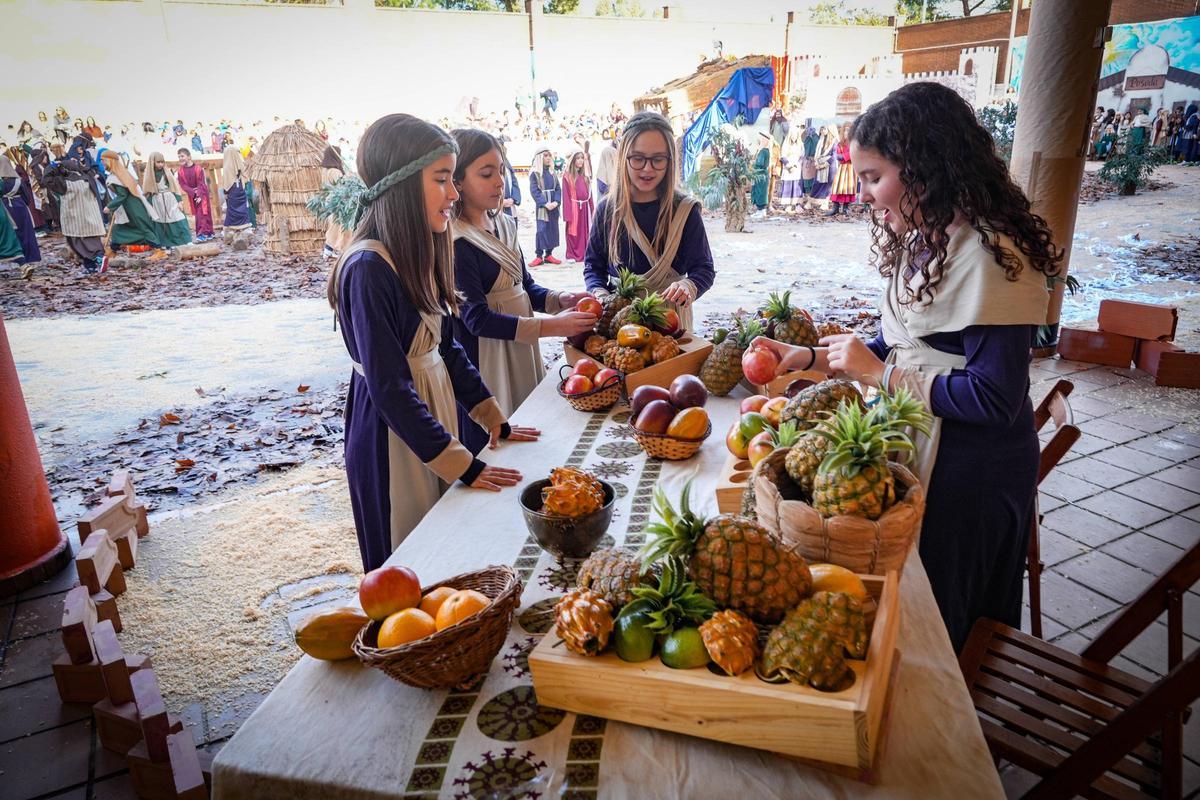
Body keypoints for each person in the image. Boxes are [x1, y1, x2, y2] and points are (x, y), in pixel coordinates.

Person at [754, 82, 1059, 653]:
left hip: (970, 473)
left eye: (873, 177)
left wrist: (880, 376)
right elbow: (906, 341)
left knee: (948, 618)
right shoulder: (931, 238)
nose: (864, 194)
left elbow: (994, 398)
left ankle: (951, 728)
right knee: (917, 606)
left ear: (922, 168)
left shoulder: (994, 256)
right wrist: (815, 358)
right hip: (928, 443)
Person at [328, 113, 539, 572]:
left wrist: (492, 418)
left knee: (450, 549)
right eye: (442, 179)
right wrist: (463, 464)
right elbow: (389, 388)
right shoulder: (367, 268)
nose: (454, 192)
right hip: (393, 436)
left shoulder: (423, 247)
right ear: (402, 187)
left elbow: (445, 346)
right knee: (409, 558)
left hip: (433, 413)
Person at [448, 129, 595, 453]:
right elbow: (475, 319)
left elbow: (523, 287)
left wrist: (560, 301)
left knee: (530, 431)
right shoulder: (456, 243)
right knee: (496, 446)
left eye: (501, 170)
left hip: (521, 349)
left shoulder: (506, 225)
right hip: (486, 359)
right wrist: (551, 327)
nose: (499, 182)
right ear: (457, 181)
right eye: (486, 174)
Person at [583, 111, 715, 333]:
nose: (647, 168)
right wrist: (601, 295)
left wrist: (688, 286)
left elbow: (704, 269)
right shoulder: (607, 210)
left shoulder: (685, 211)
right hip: (620, 321)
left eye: (658, 159)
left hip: (671, 322)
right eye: (638, 158)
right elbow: (593, 266)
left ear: (669, 160)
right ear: (624, 157)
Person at [42, 158, 107, 273]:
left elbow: (46, 180)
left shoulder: (63, 182)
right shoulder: (88, 178)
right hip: (91, 216)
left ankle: (94, 262)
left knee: (76, 243)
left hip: (74, 218)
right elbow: (88, 168)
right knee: (93, 240)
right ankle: (96, 261)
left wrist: (52, 167)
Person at [100, 150, 163, 253]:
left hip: (133, 207)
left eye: (103, 160)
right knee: (119, 229)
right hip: (127, 207)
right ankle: (112, 251)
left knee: (143, 227)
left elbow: (123, 195)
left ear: (109, 161)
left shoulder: (118, 176)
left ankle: (159, 251)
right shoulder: (117, 174)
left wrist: (110, 207)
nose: (102, 162)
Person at [141, 152, 192, 248]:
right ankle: (167, 243)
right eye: (158, 162)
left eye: (162, 162)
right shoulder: (149, 175)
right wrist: (149, 206)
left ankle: (186, 240)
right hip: (158, 201)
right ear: (153, 162)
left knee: (178, 218)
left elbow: (174, 187)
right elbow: (148, 192)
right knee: (162, 222)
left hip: (170, 199)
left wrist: (179, 200)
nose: (161, 164)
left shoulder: (166, 172)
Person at [0, 155, 41, 264]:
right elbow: (27, 197)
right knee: (26, 232)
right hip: (20, 207)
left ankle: (16, 259)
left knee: (12, 234)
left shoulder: (1, 182)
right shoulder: (18, 180)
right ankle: (31, 258)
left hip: (4, 208)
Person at [528, 148, 561, 266]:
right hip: (543, 207)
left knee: (552, 228)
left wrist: (556, 202)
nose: (548, 158)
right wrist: (545, 203)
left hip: (553, 205)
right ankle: (538, 255)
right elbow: (535, 191)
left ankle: (549, 254)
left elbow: (558, 188)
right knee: (541, 230)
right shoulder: (535, 174)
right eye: (545, 156)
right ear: (540, 158)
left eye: (549, 156)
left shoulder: (553, 173)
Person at [561, 150, 594, 263]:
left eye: (582, 158)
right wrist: (567, 214)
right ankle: (572, 254)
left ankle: (585, 252)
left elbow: (590, 194)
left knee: (585, 230)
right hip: (574, 207)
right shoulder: (567, 176)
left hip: (585, 207)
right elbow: (565, 196)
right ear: (573, 160)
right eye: (578, 158)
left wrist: (592, 208)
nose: (580, 161)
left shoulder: (585, 176)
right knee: (574, 231)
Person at [177, 148, 213, 241]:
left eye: (182, 156)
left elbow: (201, 182)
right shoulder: (180, 171)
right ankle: (208, 232)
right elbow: (182, 184)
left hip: (202, 193)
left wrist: (199, 194)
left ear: (189, 157)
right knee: (199, 213)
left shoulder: (198, 168)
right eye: (179, 157)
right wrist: (193, 193)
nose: (180, 158)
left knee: (203, 213)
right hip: (193, 194)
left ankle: (203, 234)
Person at [320, 145, 350, 256]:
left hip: (330, 199)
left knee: (334, 224)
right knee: (337, 225)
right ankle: (331, 248)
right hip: (337, 201)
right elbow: (342, 187)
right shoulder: (335, 171)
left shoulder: (325, 170)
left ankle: (330, 249)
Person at [827, 124, 856, 216]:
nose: (846, 132)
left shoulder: (854, 142)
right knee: (837, 187)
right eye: (845, 130)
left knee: (848, 187)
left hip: (851, 167)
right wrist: (838, 156)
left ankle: (846, 208)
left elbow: (853, 153)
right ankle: (835, 207)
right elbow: (837, 154)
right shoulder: (840, 143)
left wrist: (844, 156)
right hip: (842, 167)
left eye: (848, 130)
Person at [221, 147, 252, 230]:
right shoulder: (240, 164)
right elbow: (246, 177)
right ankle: (244, 225)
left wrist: (225, 193)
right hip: (240, 189)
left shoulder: (227, 167)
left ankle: (233, 227)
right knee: (242, 208)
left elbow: (226, 183)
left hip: (232, 191)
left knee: (232, 209)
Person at [809, 124, 836, 209]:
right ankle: (812, 201)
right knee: (817, 183)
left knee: (827, 185)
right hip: (819, 164)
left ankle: (825, 203)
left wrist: (825, 164)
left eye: (824, 129)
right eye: (821, 130)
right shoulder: (821, 140)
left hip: (829, 166)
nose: (822, 131)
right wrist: (816, 163)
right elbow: (817, 153)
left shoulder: (834, 142)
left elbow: (834, 155)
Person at [778, 127, 804, 213]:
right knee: (788, 186)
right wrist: (788, 165)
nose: (793, 137)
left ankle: (797, 204)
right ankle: (788, 205)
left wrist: (796, 165)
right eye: (792, 135)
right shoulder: (786, 144)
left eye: (795, 136)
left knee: (797, 186)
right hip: (788, 167)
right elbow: (783, 156)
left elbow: (802, 157)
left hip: (796, 167)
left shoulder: (800, 145)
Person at [498, 140, 521, 217]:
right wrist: (500, 201)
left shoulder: (507, 166)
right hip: (497, 207)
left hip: (510, 205)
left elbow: (514, 183)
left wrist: (514, 199)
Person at [751, 130, 771, 215]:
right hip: (760, 174)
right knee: (760, 191)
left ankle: (761, 210)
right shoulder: (763, 150)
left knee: (761, 192)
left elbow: (759, 163)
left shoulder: (763, 151)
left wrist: (753, 163)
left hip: (761, 175)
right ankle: (760, 210)